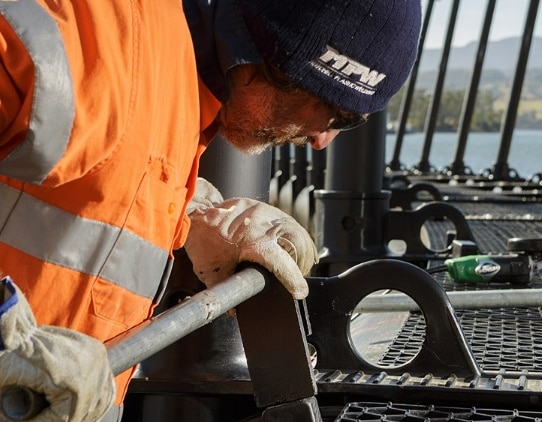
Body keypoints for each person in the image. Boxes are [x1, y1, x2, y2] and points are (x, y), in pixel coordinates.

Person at [0, 0, 421, 420]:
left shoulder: (167, 83)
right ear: (287, 62)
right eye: (341, 116)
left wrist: (192, 215)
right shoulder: (91, 40)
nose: (322, 141)